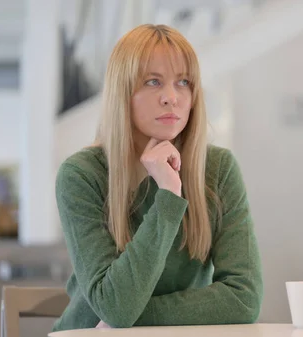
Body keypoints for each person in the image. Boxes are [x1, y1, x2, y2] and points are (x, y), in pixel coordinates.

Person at [52, 24, 263, 331]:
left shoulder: (218, 169)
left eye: (183, 82)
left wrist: (138, 319)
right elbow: (115, 306)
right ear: (122, 92)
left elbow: (244, 299)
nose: (171, 97)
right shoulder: (81, 176)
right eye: (153, 82)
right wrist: (168, 196)